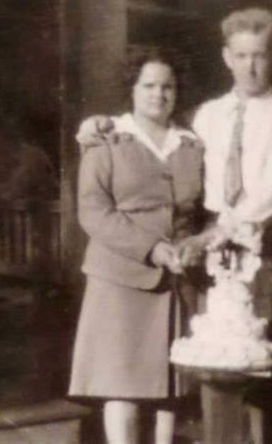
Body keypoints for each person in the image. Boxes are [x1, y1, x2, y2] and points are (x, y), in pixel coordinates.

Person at [77, 7, 272, 444]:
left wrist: (209, 237)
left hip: (262, 248)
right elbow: (150, 136)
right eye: (241, 55)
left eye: (260, 54)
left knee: (262, 368)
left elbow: (266, 198)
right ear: (226, 58)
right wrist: (96, 124)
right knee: (211, 367)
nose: (251, 66)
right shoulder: (206, 117)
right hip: (208, 253)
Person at [68, 47, 208, 444]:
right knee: (122, 384)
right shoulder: (106, 139)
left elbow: (202, 211)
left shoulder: (192, 145)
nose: (158, 95)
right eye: (148, 85)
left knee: (170, 384)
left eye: (168, 87)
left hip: (178, 277)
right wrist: (152, 248)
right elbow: (93, 212)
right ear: (132, 88)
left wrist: (193, 245)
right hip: (118, 279)